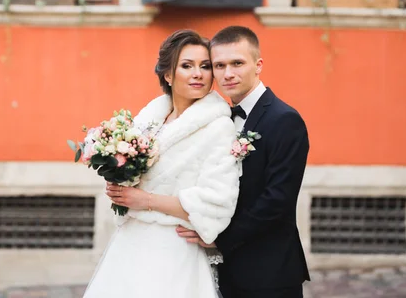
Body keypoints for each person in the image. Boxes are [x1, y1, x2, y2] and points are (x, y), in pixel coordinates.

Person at [83, 29, 241, 298]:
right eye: (187, 66)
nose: (198, 74)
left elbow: (216, 202)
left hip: (175, 248)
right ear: (168, 75)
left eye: (205, 66)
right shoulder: (150, 120)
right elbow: (136, 180)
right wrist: (119, 178)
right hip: (131, 245)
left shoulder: (219, 128)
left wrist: (145, 200)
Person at [177, 26, 310, 298]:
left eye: (237, 63)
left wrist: (218, 239)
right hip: (226, 270)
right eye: (219, 65)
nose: (228, 74)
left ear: (258, 65)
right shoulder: (219, 118)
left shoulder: (284, 119)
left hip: (268, 271)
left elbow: (277, 200)